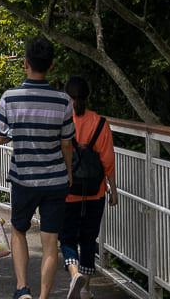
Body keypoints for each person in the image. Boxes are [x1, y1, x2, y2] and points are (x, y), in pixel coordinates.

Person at [0, 35, 75, 299]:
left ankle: (21, 288)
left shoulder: (10, 97)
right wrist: (69, 173)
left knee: (19, 230)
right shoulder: (63, 101)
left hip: (23, 178)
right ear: (51, 65)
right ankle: (43, 297)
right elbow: (67, 144)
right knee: (51, 242)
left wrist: (16, 131)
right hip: (55, 180)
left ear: (25, 63)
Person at [60, 76, 117, 299]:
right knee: (88, 239)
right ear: (89, 96)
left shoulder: (63, 122)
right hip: (96, 191)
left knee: (66, 238)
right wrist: (113, 189)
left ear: (67, 97)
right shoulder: (101, 123)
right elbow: (108, 160)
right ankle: (85, 290)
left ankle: (74, 274)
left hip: (67, 191)